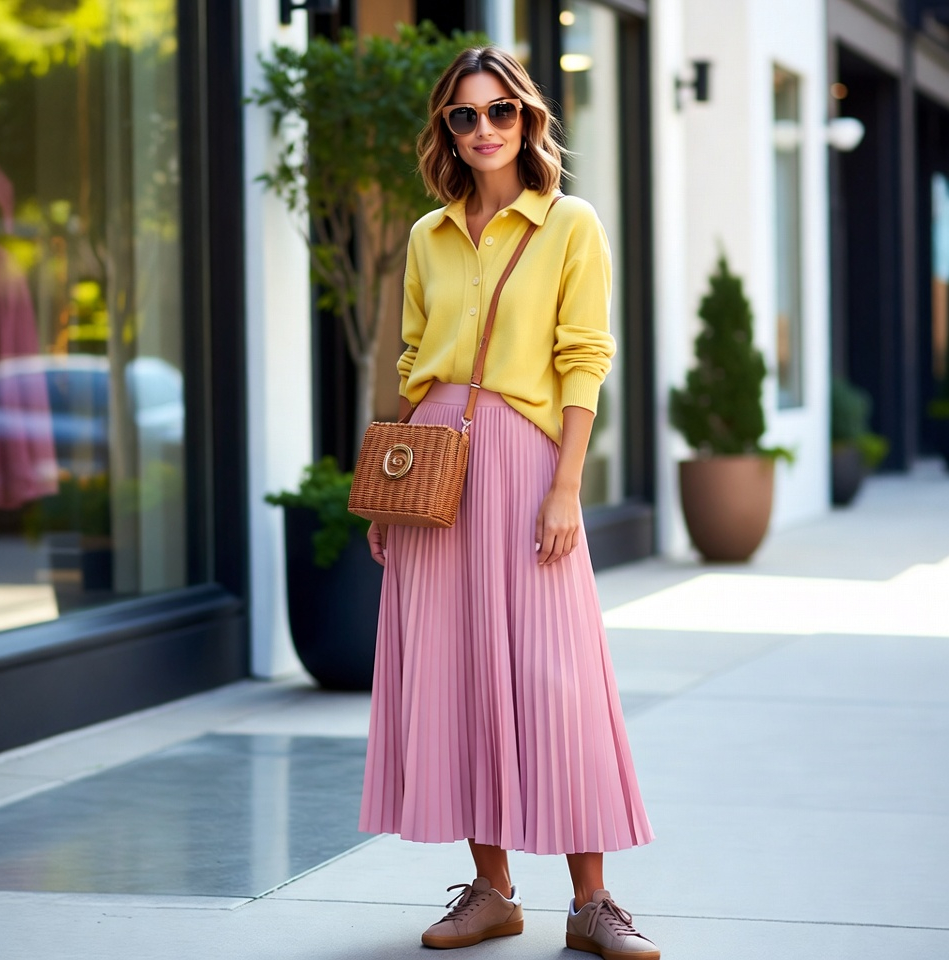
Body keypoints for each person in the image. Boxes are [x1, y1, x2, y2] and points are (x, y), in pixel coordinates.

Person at [360, 46, 659, 960]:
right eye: (463, 116)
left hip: (529, 465)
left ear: (529, 121)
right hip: (439, 466)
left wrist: (566, 484)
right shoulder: (427, 234)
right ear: (446, 131)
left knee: (556, 678)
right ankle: (490, 890)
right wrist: (390, 488)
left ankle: (593, 904)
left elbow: (586, 357)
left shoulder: (570, 223)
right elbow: (413, 362)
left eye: (500, 112)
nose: (483, 129)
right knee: (453, 674)